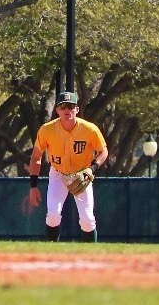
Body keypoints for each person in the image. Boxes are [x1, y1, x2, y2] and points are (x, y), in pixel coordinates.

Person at [26, 90, 108, 242]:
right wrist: (33, 186)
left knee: (87, 219)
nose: (67, 110)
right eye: (63, 106)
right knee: (53, 215)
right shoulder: (47, 130)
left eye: (71, 106)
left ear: (77, 109)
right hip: (58, 174)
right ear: (57, 110)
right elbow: (36, 157)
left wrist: (92, 169)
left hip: (81, 174)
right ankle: (52, 254)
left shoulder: (89, 129)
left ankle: (91, 258)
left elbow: (103, 151)